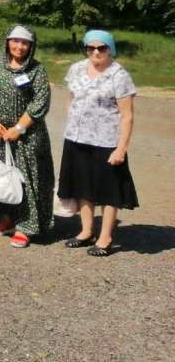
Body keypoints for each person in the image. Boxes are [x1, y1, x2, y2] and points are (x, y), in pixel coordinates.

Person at [57, 30, 138, 257]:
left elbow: (127, 115)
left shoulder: (119, 75)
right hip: (77, 138)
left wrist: (121, 148)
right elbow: (71, 100)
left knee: (108, 190)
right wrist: (73, 124)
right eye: (91, 47)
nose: (95, 52)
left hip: (106, 141)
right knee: (82, 186)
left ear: (110, 49)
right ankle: (86, 231)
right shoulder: (76, 69)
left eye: (101, 48)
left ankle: (105, 237)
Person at [0, 25, 55, 248]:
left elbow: (40, 102)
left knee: (27, 178)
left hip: (26, 136)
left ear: (31, 45)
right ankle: (6, 218)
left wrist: (18, 129)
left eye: (24, 43)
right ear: (7, 41)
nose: (19, 46)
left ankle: (26, 226)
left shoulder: (36, 70)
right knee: (1, 177)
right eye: (15, 41)